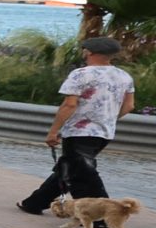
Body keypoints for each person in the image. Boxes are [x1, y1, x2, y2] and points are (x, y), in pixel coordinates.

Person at [19, 36, 136, 216]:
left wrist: (54, 131)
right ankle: (34, 203)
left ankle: (102, 215)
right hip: (104, 132)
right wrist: (109, 119)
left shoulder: (80, 74)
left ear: (89, 52)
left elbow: (69, 105)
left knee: (83, 175)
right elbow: (129, 106)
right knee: (70, 168)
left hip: (79, 131)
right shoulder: (124, 76)